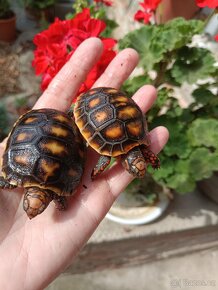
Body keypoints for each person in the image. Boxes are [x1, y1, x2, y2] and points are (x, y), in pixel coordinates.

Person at [0, 38, 169, 290]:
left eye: (137, 168)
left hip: (72, 122)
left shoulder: (18, 178)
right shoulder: (33, 183)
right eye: (137, 166)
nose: (33, 210)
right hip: (73, 122)